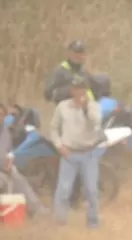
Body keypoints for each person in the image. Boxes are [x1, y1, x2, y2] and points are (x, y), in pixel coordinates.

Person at [0, 103, 46, 217]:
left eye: (1, 115)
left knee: (19, 178)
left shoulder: (5, 131)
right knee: (4, 180)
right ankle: (8, 213)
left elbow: (10, 150)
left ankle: (36, 209)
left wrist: (10, 160)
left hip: (3, 168)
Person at [50, 75, 103, 228]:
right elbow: (53, 129)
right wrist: (59, 146)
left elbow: (96, 122)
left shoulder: (94, 106)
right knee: (63, 190)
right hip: (69, 153)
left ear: (85, 90)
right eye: (75, 88)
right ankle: (60, 222)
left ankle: (93, 224)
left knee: (91, 190)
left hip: (89, 153)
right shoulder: (62, 107)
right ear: (71, 90)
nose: (78, 91)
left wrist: (85, 108)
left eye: (81, 88)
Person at [44, 40, 95, 105]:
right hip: (68, 109)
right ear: (69, 53)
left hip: (88, 109)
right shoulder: (60, 71)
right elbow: (48, 94)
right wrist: (69, 91)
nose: (78, 55)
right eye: (75, 52)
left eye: (81, 52)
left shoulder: (85, 71)